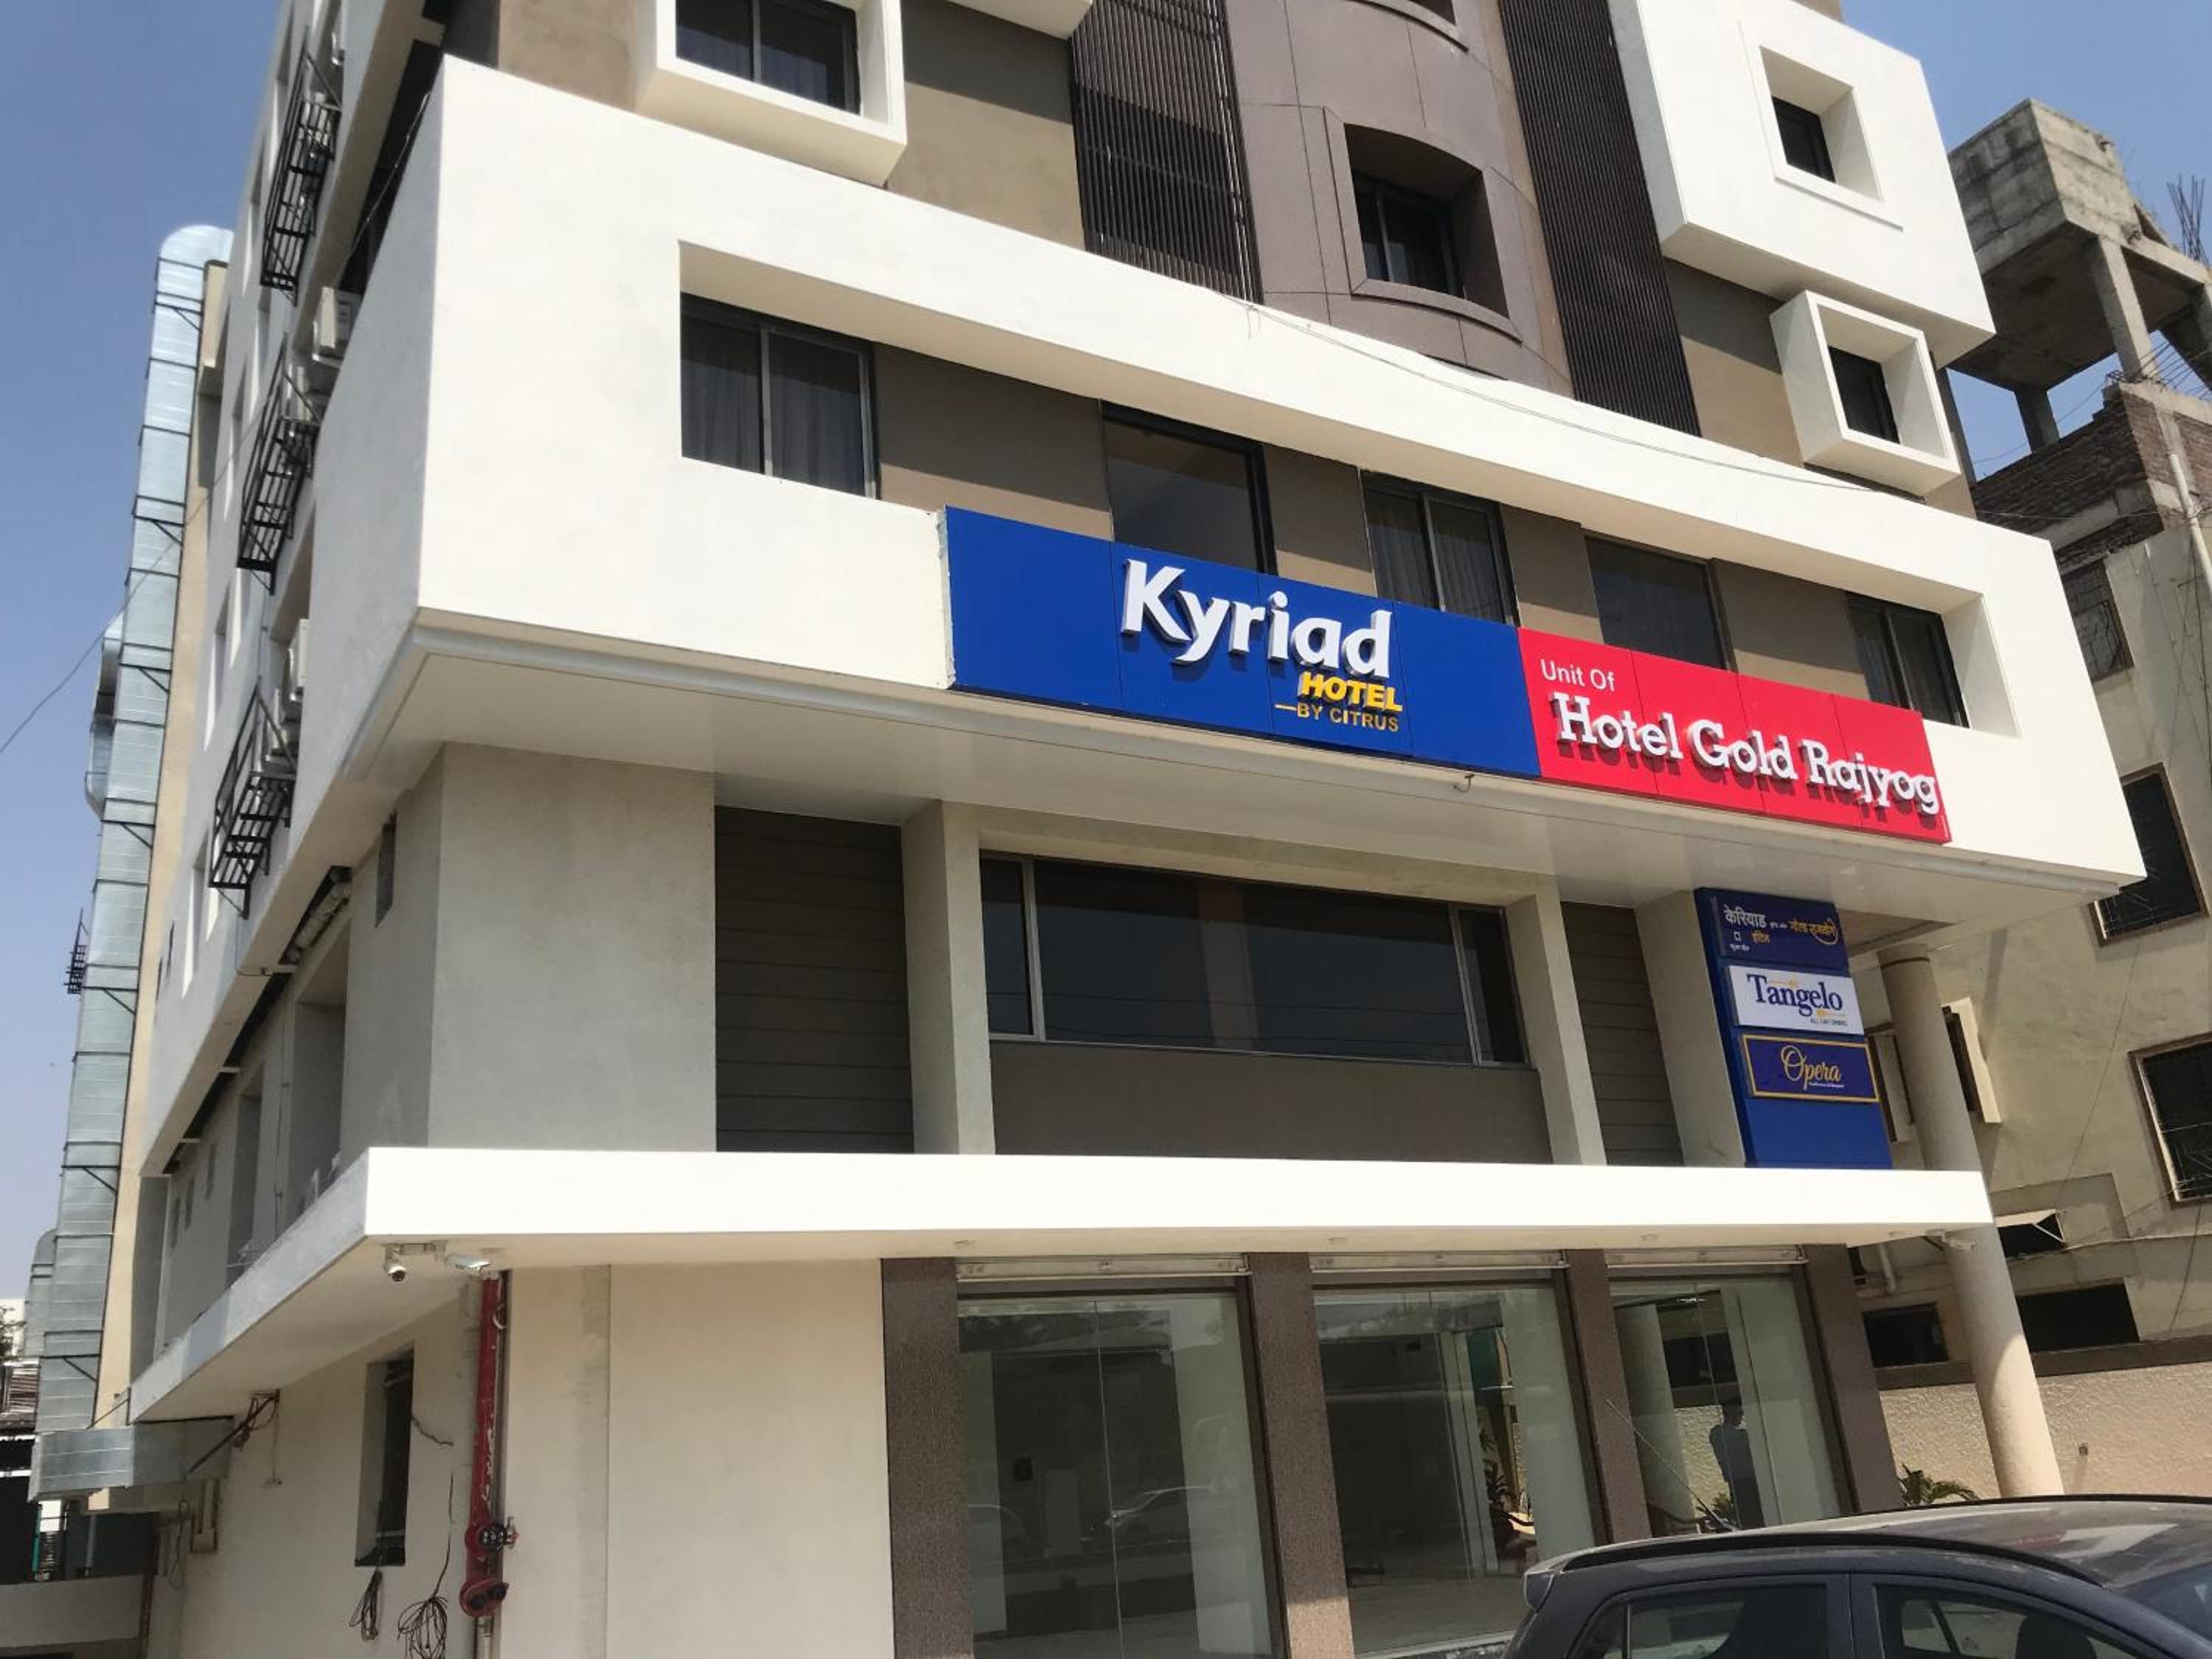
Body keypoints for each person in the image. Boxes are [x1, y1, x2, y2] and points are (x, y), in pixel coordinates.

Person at [1708, 1395, 1766, 1529]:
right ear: (1730, 1413)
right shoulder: (1730, 1434)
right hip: (1747, 1481)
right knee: (1755, 1519)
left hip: (1737, 1482)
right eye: (1740, 1413)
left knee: (1746, 1519)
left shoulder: (1718, 1434)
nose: (1741, 1417)